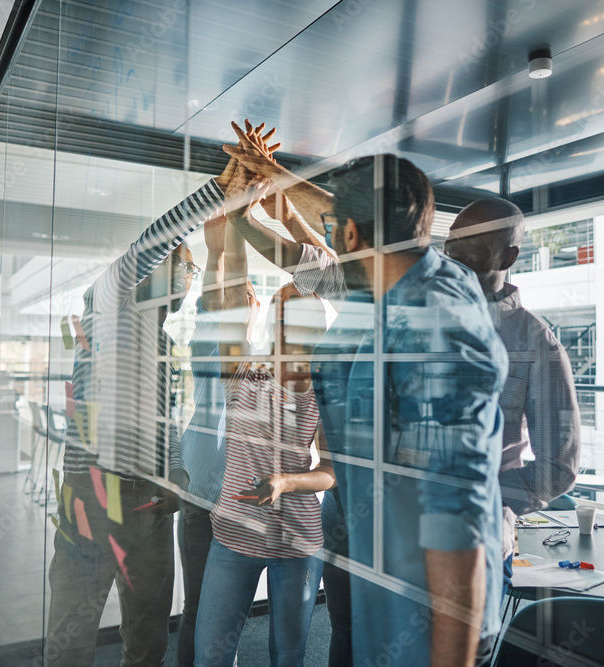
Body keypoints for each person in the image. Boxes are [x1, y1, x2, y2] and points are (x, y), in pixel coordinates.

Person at [227, 139, 507, 666]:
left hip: (432, 618)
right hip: (384, 576)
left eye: (335, 229)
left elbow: (458, 517)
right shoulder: (384, 289)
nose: (328, 240)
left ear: (351, 233)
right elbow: (307, 263)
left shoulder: (435, 322)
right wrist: (257, 200)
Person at [45, 153, 238, 667]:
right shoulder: (107, 305)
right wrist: (218, 191)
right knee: (71, 633)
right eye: (187, 267)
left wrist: (173, 471)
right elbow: (150, 244)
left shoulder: (159, 339)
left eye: (194, 271)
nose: (191, 280)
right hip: (94, 490)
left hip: (148, 501)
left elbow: (157, 420)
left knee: (149, 635)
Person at [192, 171, 336, 667]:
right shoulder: (244, 366)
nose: (282, 307)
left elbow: (331, 473)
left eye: (293, 305)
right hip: (232, 533)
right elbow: (227, 291)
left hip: (298, 538)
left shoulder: (325, 389)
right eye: (281, 302)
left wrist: (287, 482)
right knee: (211, 654)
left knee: (288, 655)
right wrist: (234, 219)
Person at [176, 121, 280, 667]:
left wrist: (244, 191)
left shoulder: (258, 351)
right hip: (210, 498)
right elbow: (221, 256)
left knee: (219, 615)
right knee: (205, 613)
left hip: (238, 497)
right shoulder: (217, 340)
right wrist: (241, 197)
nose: (241, 290)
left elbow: (224, 259)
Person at [444, 198, 581, 589]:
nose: (453, 257)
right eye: (452, 244)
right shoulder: (420, 315)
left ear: (508, 256)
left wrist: (488, 502)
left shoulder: (536, 343)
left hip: (474, 540)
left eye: (472, 246)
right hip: (394, 532)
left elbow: (559, 465)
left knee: (466, 652)